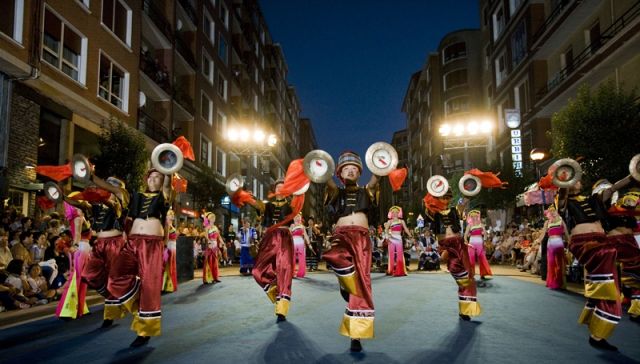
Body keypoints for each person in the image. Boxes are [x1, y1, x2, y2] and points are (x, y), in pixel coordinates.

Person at [107, 168, 173, 347]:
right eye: (151, 176)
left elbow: (167, 184)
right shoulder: (135, 196)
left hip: (152, 244)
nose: (154, 179)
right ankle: (140, 309)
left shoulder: (164, 196)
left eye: (158, 177)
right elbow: (115, 192)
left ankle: (145, 331)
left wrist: (168, 169)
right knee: (114, 277)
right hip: (132, 242)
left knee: (150, 286)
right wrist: (90, 176)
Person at [557, 176, 625, 351]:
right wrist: (565, 179)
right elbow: (563, 195)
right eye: (572, 180)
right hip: (585, 244)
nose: (575, 182)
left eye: (577, 179)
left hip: (602, 241)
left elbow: (612, 188)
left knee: (606, 284)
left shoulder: (592, 200)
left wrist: (633, 176)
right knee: (609, 288)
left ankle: (596, 331)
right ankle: (598, 330)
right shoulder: (562, 201)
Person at [323, 151, 379, 352]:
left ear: (359, 173)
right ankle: (345, 283)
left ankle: (356, 333)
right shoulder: (336, 192)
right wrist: (320, 166)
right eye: (346, 168)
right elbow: (326, 180)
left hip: (362, 238)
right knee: (335, 257)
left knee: (362, 282)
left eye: (354, 169)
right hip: (341, 235)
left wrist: (382, 162)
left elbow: (376, 178)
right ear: (340, 173)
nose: (351, 171)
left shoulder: (367, 190)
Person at [424, 189, 482, 321]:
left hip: (459, 244)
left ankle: (465, 309)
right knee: (459, 274)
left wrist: (469, 187)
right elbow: (427, 204)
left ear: (449, 198)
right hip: (445, 245)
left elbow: (463, 201)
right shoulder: (433, 211)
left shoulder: (455, 209)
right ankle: (465, 308)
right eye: (441, 197)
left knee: (467, 277)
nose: (444, 200)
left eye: (446, 197)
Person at [80, 175, 130, 327]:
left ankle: (109, 316)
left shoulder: (119, 204)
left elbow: (110, 203)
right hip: (99, 244)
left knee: (112, 279)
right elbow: (83, 204)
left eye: (109, 187)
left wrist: (100, 195)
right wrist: (61, 195)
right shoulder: (97, 206)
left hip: (115, 244)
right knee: (88, 274)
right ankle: (118, 297)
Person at [538, 206, 568, 290]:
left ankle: (560, 283)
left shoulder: (561, 220)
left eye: (554, 211)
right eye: (551, 211)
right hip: (550, 243)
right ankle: (551, 282)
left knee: (559, 263)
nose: (552, 212)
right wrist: (537, 242)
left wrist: (570, 242)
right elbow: (543, 234)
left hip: (559, 242)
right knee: (551, 263)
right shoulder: (547, 222)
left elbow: (566, 233)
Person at [464, 210, 493, 280]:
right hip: (471, 244)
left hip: (480, 243)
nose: (474, 217)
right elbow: (465, 235)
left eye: (476, 216)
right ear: (470, 217)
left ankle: (483, 274)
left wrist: (485, 241)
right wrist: (466, 240)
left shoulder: (481, 224)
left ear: (478, 217)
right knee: (471, 260)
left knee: (482, 259)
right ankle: (471, 275)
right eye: (472, 216)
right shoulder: (469, 225)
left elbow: (485, 234)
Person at [383, 206, 412, 276]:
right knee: (391, 255)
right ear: (391, 213)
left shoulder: (401, 221)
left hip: (399, 238)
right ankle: (391, 270)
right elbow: (385, 230)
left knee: (399, 255)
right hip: (391, 239)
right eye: (393, 212)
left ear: (399, 213)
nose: (395, 213)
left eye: (396, 212)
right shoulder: (389, 221)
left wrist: (410, 236)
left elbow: (406, 229)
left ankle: (400, 271)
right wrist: (387, 236)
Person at [202, 212, 224, 284]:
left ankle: (215, 277)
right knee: (209, 261)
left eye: (214, 218)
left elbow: (219, 236)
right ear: (208, 219)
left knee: (215, 262)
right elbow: (206, 236)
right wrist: (208, 242)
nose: (213, 219)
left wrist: (222, 242)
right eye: (212, 217)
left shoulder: (215, 227)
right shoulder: (207, 227)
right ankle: (208, 278)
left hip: (215, 245)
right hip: (210, 246)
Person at [290, 213, 313, 278]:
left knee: (302, 258)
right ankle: (291, 272)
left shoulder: (302, 226)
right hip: (293, 243)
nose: (297, 218)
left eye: (299, 217)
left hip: (301, 242)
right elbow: (288, 235)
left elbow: (306, 236)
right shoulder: (292, 225)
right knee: (292, 257)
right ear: (294, 218)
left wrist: (309, 244)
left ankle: (301, 273)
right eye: (296, 216)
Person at [162, 209, 178, 292]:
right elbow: (166, 237)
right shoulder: (167, 224)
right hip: (169, 246)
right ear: (167, 216)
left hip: (173, 246)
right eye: (170, 214)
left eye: (173, 214)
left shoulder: (171, 224)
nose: (172, 215)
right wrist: (165, 247)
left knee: (172, 265)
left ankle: (169, 284)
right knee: (168, 265)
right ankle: (167, 285)